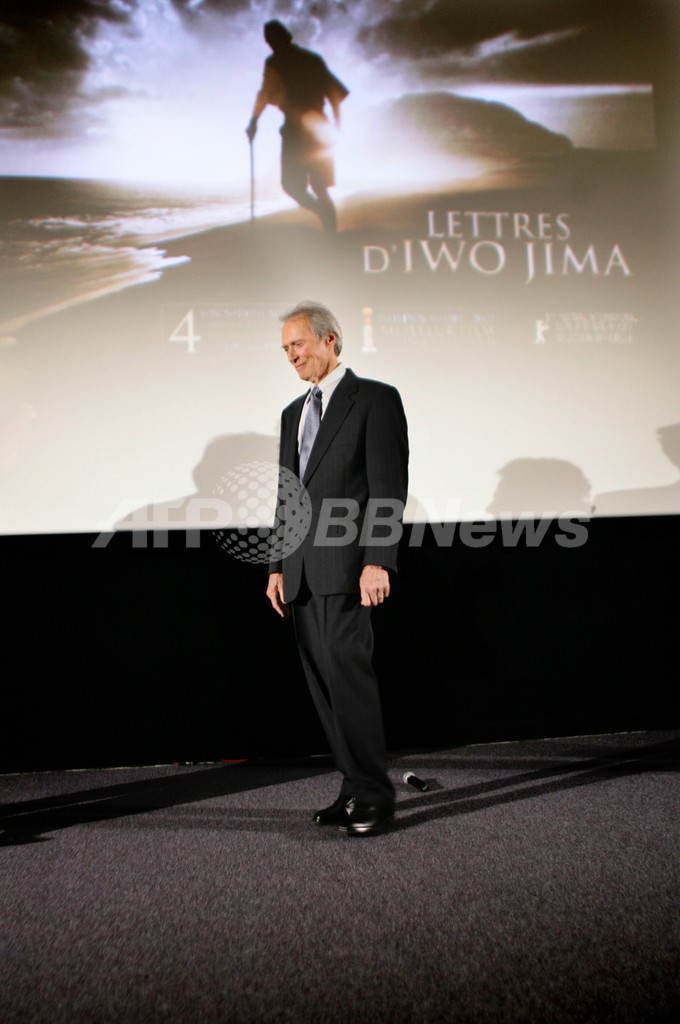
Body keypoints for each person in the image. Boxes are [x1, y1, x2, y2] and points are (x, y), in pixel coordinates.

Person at [267, 301, 409, 836]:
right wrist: (277, 565)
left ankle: (376, 797)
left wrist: (378, 560)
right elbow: (287, 496)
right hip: (301, 573)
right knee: (326, 690)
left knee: (350, 685)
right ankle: (353, 788)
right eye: (285, 349)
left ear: (330, 339)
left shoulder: (374, 399)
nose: (291, 355)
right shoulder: (293, 413)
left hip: (348, 568)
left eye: (298, 344)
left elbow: (388, 488)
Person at [246, 21, 349, 232]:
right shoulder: (313, 59)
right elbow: (335, 94)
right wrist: (336, 125)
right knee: (317, 187)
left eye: (272, 40)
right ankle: (328, 224)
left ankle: (326, 222)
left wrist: (254, 122)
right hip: (319, 129)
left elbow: (264, 94)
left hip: (296, 131)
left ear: (281, 39)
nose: (271, 45)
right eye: (270, 41)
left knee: (294, 185)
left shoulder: (275, 62)